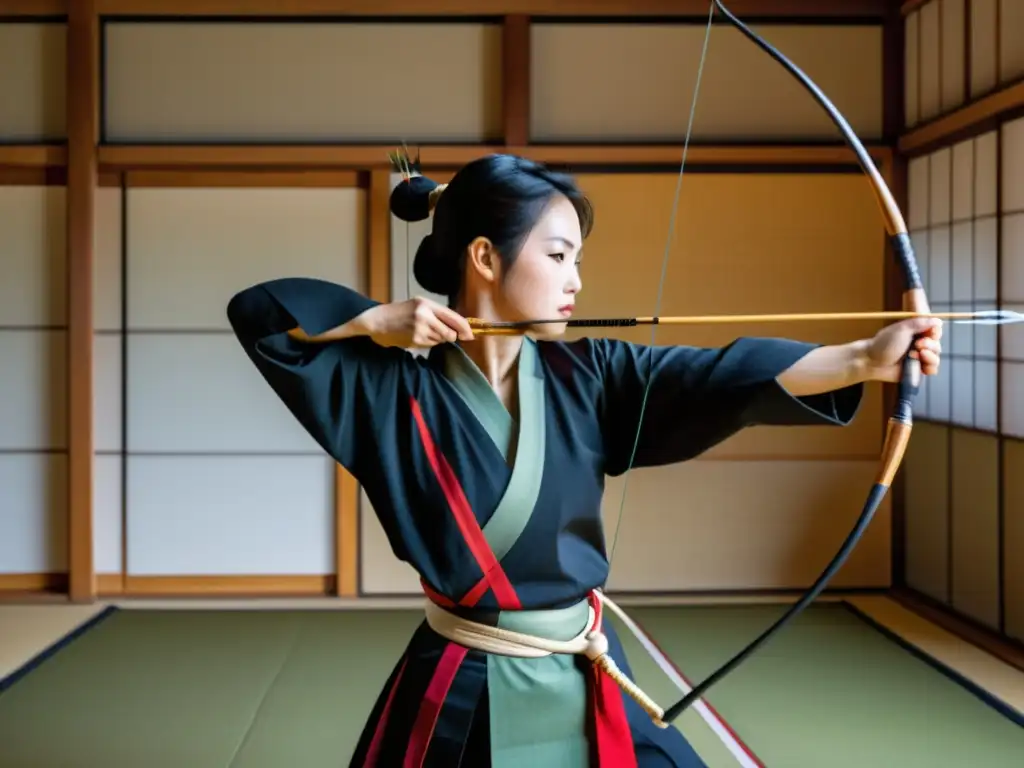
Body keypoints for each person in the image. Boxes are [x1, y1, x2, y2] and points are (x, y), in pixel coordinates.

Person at [226, 153, 942, 768]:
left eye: (577, 261)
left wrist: (861, 359)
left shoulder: (591, 375)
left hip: (582, 662)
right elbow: (260, 314)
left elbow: (718, 378)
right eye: (559, 255)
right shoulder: (388, 392)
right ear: (484, 257)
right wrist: (372, 319)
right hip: (460, 677)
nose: (576, 281)